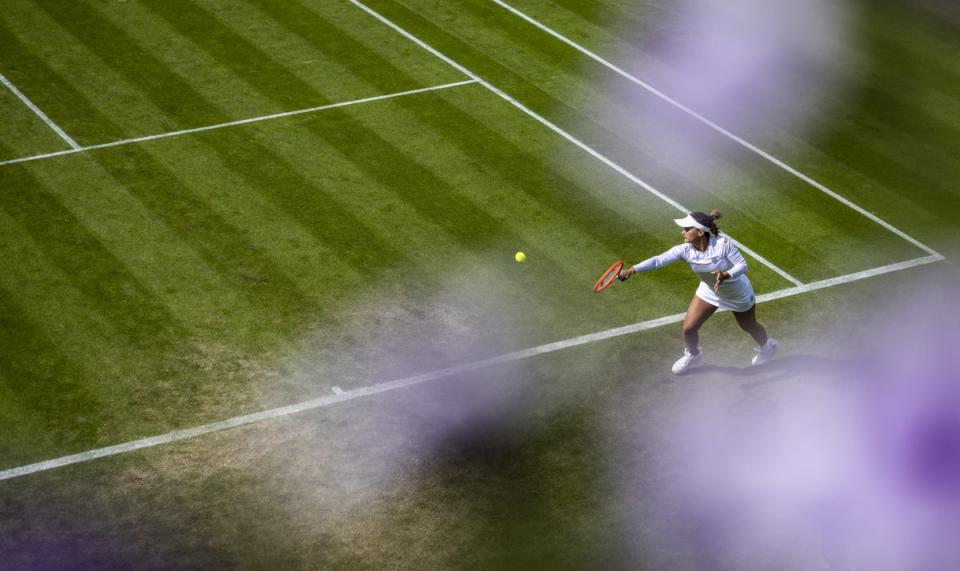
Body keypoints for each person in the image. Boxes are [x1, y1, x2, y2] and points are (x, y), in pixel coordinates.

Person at [618, 210, 777, 374]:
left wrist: (726, 275)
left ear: (700, 232)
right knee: (689, 329)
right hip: (709, 290)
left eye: (687, 229)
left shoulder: (723, 245)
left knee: (749, 326)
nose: (683, 232)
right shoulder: (685, 250)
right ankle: (694, 355)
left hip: (736, 293)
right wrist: (633, 269)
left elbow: (743, 265)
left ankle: (766, 346)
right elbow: (659, 260)